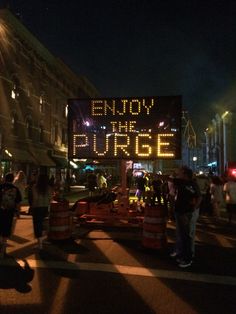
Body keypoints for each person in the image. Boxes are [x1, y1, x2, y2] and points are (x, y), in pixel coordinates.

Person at [169, 166, 202, 268]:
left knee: (186, 236)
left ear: (185, 174)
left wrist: (193, 209)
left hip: (186, 213)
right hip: (180, 212)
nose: (178, 174)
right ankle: (182, 254)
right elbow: (169, 178)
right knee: (181, 234)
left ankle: (188, 258)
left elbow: (199, 197)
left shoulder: (192, 184)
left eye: (180, 172)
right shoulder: (181, 182)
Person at [0, 172, 22, 258]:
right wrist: (18, 212)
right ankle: (3, 250)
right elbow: (18, 202)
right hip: (9, 212)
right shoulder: (15, 189)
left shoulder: (0, 187)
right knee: (6, 230)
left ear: (5, 178)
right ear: (13, 179)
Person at [31, 173, 52, 249]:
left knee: (37, 225)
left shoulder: (35, 187)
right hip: (45, 207)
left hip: (37, 207)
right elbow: (50, 198)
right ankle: (43, 241)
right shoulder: (48, 188)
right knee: (43, 224)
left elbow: (35, 198)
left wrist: (32, 207)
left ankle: (40, 244)